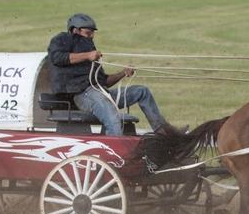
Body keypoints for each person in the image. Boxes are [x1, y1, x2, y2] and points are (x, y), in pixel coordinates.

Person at [47, 13, 185, 136]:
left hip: (101, 92)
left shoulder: (90, 49)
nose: (91, 37)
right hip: (83, 95)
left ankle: (163, 132)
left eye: (92, 34)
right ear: (74, 30)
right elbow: (57, 57)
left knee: (142, 91)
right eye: (88, 33)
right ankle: (114, 153)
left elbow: (104, 81)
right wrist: (88, 55)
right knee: (112, 115)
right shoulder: (62, 39)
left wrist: (123, 73)